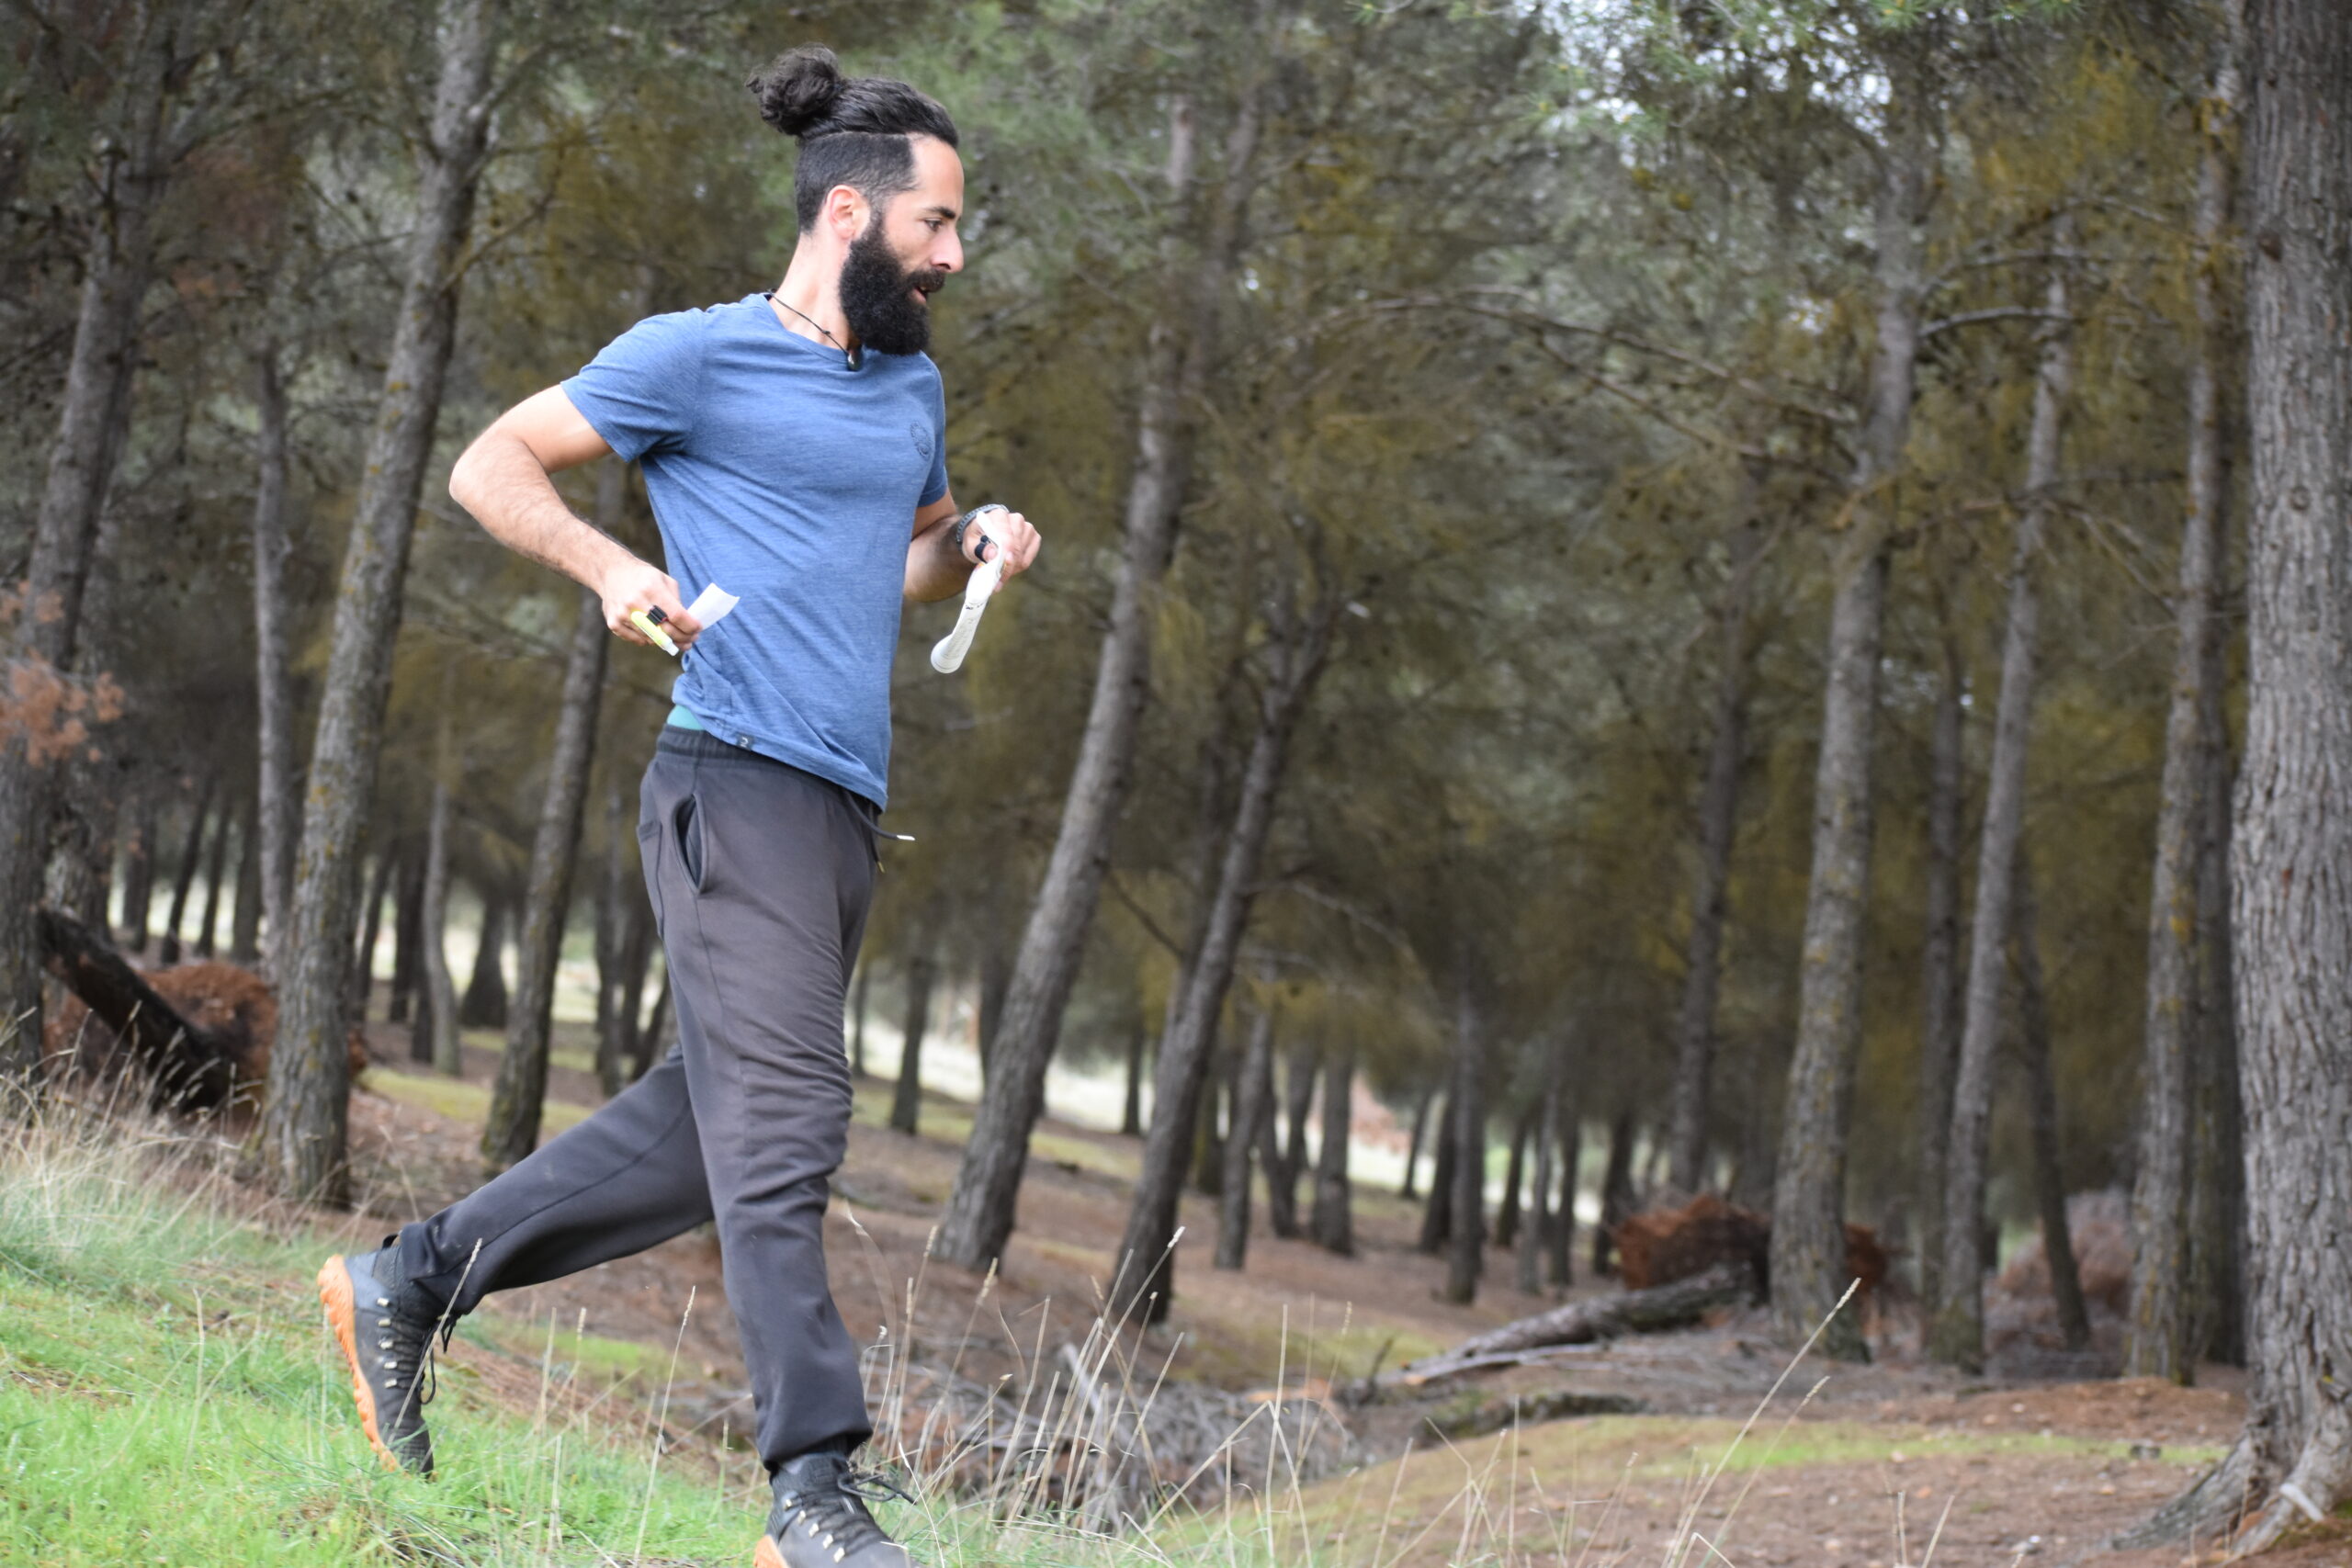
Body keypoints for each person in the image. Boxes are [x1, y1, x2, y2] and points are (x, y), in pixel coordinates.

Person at [312, 45, 1039, 1568]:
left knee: (711, 1132)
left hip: (841, 810)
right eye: (939, 225)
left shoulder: (907, 382)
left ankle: (411, 1281)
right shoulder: (695, 356)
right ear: (850, 214)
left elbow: (905, 556)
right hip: (731, 776)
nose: (957, 255)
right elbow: (491, 465)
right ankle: (812, 1492)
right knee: (793, 1116)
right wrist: (611, 568)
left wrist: (973, 536)